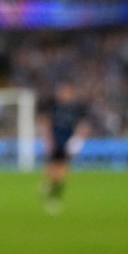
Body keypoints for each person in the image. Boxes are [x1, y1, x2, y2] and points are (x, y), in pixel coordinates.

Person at [37, 79, 91, 214]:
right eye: (60, 91)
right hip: (55, 140)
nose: (61, 93)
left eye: (65, 91)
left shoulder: (77, 108)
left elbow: (83, 126)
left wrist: (77, 142)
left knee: (61, 169)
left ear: (71, 93)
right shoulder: (53, 105)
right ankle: (50, 187)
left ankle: (54, 197)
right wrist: (47, 139)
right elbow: (46, 122)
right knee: (52, 168)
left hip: (68, 142)